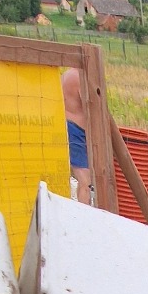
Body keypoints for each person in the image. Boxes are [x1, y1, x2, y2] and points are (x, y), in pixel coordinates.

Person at [61, 67, 91, 204]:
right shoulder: (79, 77)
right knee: (85, 180)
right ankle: (84, 215)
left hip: (66, 125)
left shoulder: (66, 75)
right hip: (76, 130)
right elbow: (91, 105)